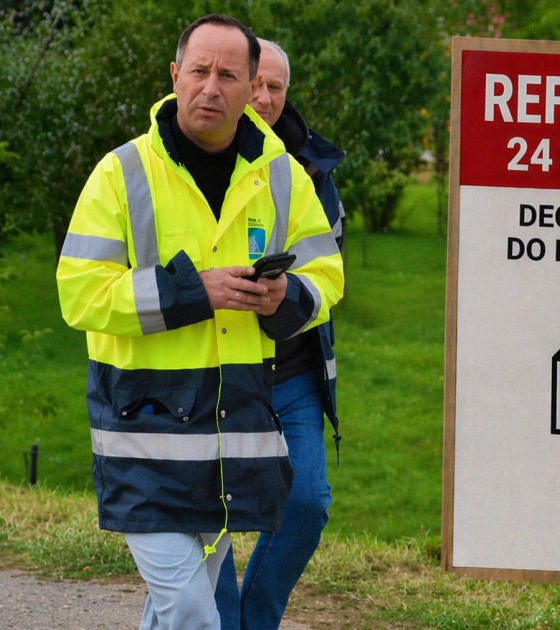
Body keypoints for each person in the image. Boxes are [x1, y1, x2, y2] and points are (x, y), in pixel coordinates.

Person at [55, 15, 344, 630]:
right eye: (199, 72)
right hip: (145, 435)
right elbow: (79, 294)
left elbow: (328, 279)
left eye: (228, 76)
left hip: (228, 441)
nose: (211, 88)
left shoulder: (284, 177)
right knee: (192, 612)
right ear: (175, 77)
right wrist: (195, 292)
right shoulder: (121, 173)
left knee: (177, 613)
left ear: (251, 90)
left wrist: (286, 297)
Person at [215, 38, 348, 630]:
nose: (264, 98)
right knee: (204, 508)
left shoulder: (312, 171)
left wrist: (285, 296)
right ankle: (213, 619)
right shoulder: (199, 153)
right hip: (212, 363)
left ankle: (253, 620)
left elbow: (329, 273)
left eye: (276, 88)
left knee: (307, 501)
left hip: (291, 368)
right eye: (257, 84)